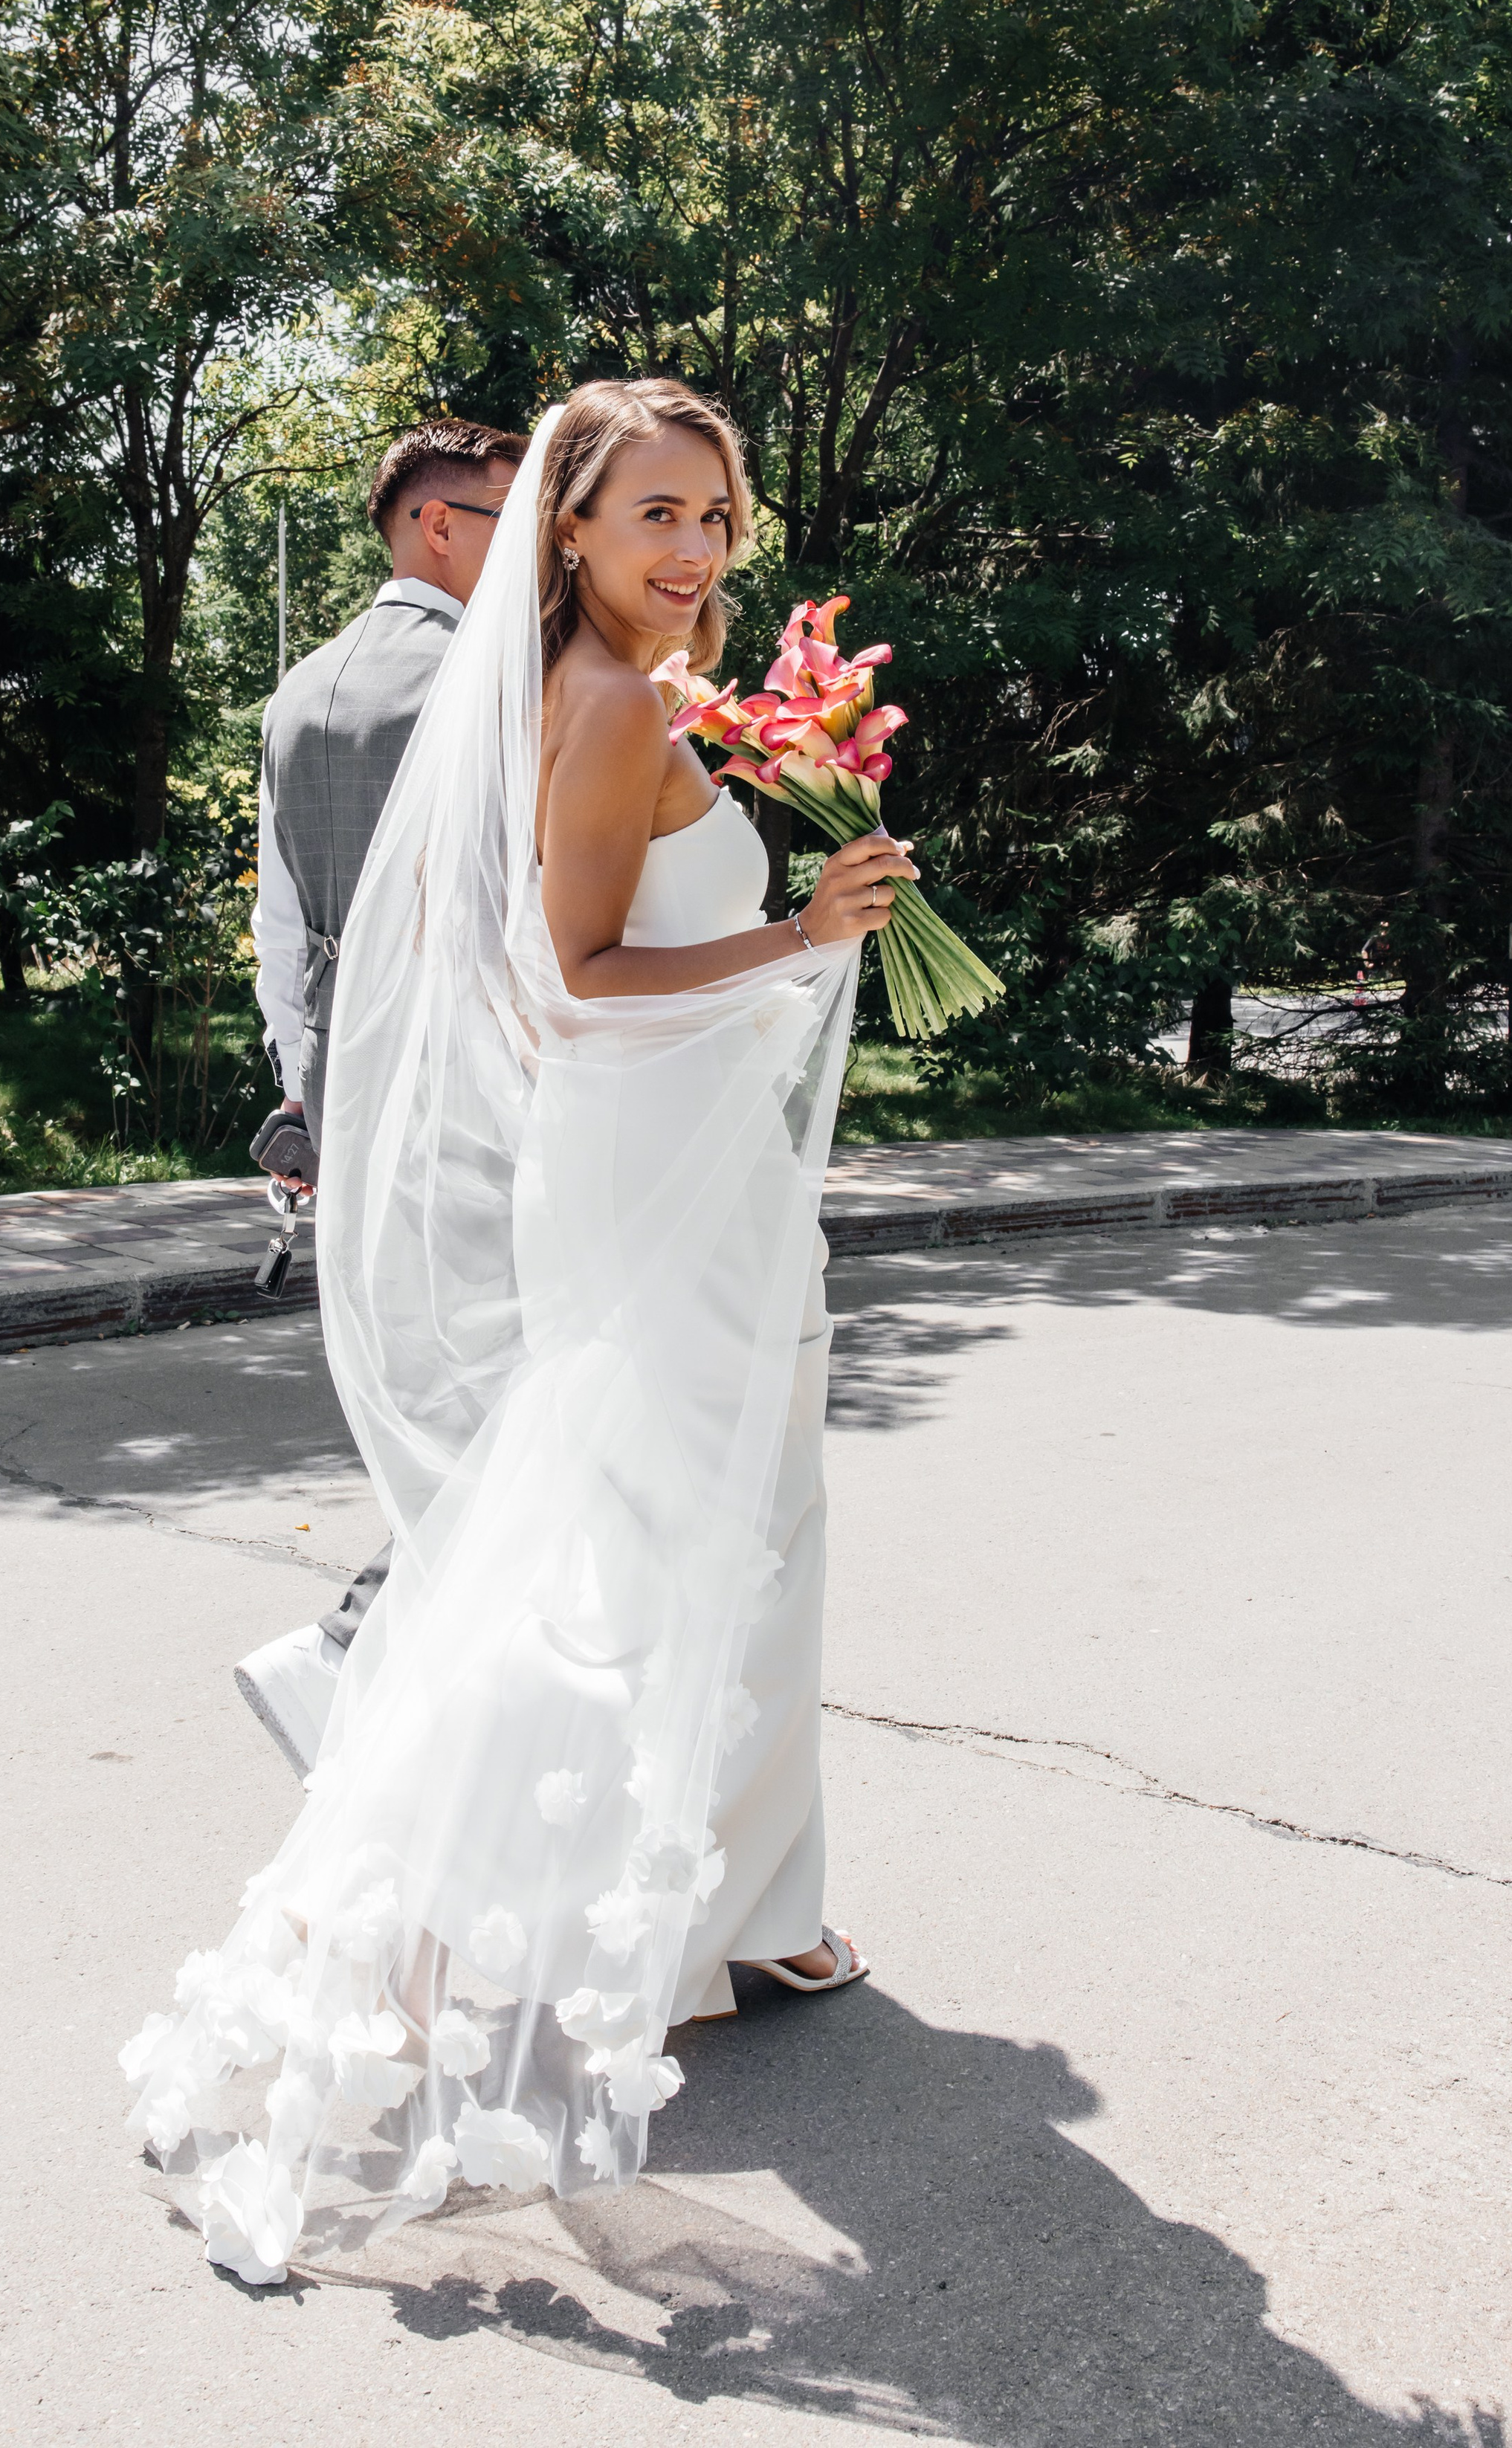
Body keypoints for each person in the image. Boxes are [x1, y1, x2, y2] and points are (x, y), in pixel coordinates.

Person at [123, 379, 916, 2278]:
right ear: (563, 526)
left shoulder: (621, 689)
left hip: (682, 1178)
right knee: (636, 1552)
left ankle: (689, 1905)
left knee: (670, 1548)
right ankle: (468, 1901)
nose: (692, 550)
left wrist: (792, 920)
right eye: (654, 513)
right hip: (652, 1196)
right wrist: (793, 934)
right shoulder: (606, 699)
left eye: (715, 518)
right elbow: (563, 977)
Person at [239, 417, 526, 1771]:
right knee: (522, 1401)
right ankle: (358, 1646)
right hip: (485, 1088)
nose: (536, 547)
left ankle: (425, 1703)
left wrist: (308, 1102)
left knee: (453, 1397)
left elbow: (282, 930)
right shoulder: (498, 678)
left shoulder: (298, 693)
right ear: (435, 524)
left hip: (359, 1103)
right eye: (511, 516)